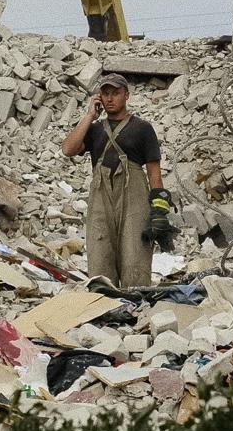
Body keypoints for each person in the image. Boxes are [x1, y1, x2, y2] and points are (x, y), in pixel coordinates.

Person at [61, 73, 170, 287]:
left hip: (134, 201)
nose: (110, 99)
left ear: (126, 95)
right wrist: (89, 116)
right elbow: (68, 149)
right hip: (101, 200)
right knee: (100, 255)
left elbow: (154, 173)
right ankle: (105, 310)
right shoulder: (94, 130)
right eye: (105, 94)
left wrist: (159, 211)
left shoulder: (143, 129)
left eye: (116, 93)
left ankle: (137, 311)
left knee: (135, 255)